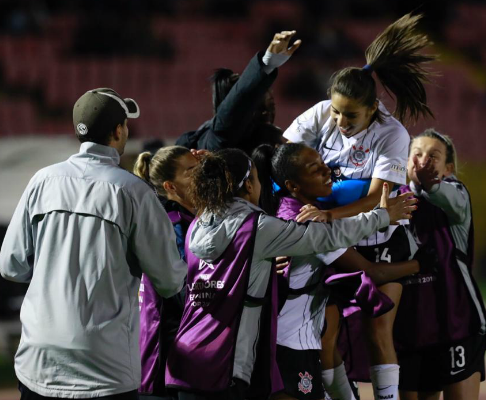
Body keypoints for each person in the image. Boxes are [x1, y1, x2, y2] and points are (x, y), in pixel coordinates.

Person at [164, 149, 416, 400]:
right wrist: (382, 216)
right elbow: (325, 237)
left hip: (188, 355)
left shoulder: (197, 225)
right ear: (249, 185)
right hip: (231, 359)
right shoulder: (257, 228)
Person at [0, 88, 187, 399]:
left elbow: (11, 266)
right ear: (118, 131)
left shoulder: (42, 180)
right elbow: (169, 281)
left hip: (39, 361)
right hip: (105, 367)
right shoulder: (133, 192)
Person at [283, 14, 434, 400]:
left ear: (373, 110)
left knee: (377, 330)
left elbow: (379, 199)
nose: (340, 121)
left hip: (381, 235)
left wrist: (328, 214)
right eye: (336, 112)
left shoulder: (392, 134)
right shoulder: (322, 114)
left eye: (351, 116)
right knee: (326, 333)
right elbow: (282, 156)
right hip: (337, 240)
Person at [252, 143, 420, 400]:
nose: (326, 170)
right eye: (314, 168)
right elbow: (370, 271)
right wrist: (422, 264)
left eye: (322, 162)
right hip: (289, 345)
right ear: (293, 186)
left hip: (288, 341)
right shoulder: (303, 221)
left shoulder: (292, 210)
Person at [396, 129, 486, 400]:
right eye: (417, 154)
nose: (424, 160)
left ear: (448, 168)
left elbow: (448, 197)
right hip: (411, 328)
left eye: (433, 156)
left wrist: (432, 185)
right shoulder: (392, 202)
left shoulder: (456, 195)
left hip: (456, 324)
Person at [133, 146, 203, 400]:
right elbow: (181, 291)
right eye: (191, 171)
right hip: (165, 356)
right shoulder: (172, 225)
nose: (201, 176)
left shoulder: (176, 219)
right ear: (170, 187)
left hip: (164, 354)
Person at [176, 30, 301, 153]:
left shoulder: (269, 135)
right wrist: (266, 65)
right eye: (261, 107)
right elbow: (233, 109)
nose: (267, 112)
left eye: (271, 106)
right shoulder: (218, 137)